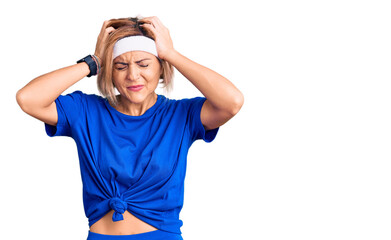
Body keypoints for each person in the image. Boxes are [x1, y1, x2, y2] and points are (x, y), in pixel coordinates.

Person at [16, 16, 244, 240]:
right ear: (109, 71)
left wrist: (171, 54)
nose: (133, 75)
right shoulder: (86, 111)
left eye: (144, 64)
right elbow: (28, 99)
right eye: (120, 66)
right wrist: (93, 61)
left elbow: (231, 102)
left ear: (161, 68)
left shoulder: (181, 115)